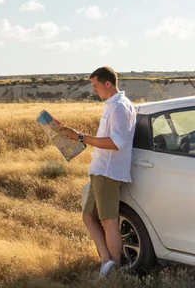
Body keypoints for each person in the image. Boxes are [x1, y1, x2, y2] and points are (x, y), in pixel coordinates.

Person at [60, 66, 136, 280]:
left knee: (108, 221)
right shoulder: (112, 105)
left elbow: (116, 143)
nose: (94, 91)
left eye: (96, 86)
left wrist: (81, 138)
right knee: (88, 217)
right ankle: (107, 263)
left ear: (107, 84)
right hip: (99, 170)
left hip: (109, 173)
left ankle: (115, 270)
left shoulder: (120, 107)